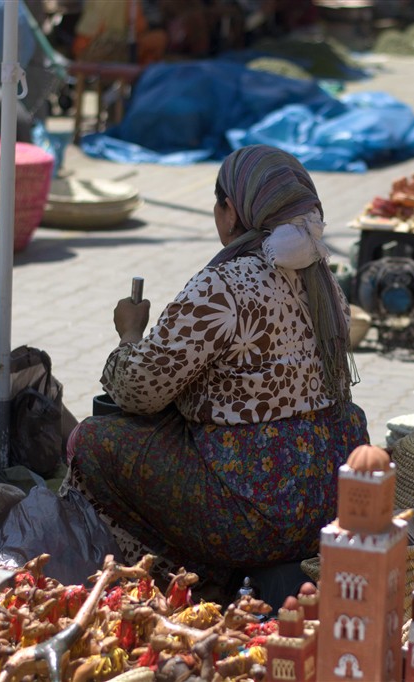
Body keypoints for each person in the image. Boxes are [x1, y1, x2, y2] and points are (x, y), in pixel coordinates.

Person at [62, 145, 369, 585]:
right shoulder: (324, 280)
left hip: (254, 512)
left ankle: (184, 573)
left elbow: (137, 391)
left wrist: (130, 333)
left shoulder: (223, 287)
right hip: (329, 502)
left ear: (231, 211)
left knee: (93, 439)